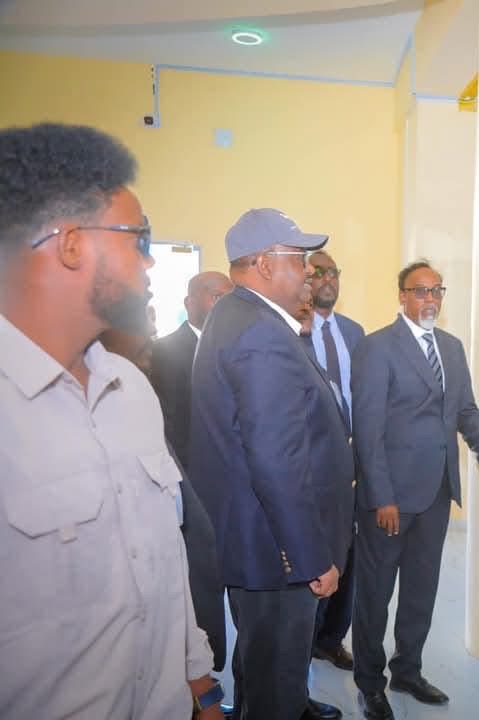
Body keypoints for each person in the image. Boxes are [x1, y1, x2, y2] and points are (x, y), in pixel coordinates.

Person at [0, 123, 222, 718]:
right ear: (72, 245)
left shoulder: (130, 391)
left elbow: (165, 563)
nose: (150, 261)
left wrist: (201, 685)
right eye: (138, 237)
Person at [187, 209, 354, 720]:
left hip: (262, 543)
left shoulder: (239, 317)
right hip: (278, 550)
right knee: (276, 683)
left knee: (261, 669)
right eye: (298, 259)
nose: (308, 272)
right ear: (263, 264)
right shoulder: (260, 333)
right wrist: (310, 556)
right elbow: (277, 461)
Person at [351, 260, 479, 720]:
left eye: (437, 290)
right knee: (375, 594)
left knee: (421, 589)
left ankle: (407, 670)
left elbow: (465, 411)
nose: (430, 298)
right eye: (420, 290)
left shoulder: (451, 348)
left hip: (437, 491)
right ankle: (369, 683)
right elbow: (367, 429)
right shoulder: (377, 347)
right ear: (402, 295)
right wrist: (382, 496)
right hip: (390, 499)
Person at [101, 323, 232, 704]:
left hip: (170, 670)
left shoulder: (136, 392)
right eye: (138, 317)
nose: (151, 330)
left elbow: (177, 551)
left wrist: (200, 681)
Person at [302, 250, 365, 672]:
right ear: (305, 280)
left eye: (333, 273)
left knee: (349, 554)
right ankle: (303, 642)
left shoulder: (354, 332)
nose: (327, 279)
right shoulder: (293, 332)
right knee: (314, 552)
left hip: (352, 462)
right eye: (318, 272)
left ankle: (330, 639)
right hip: (310, 464)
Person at [151, 271, 233, 470]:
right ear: (190, 303)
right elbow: (171, 426)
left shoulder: (238, 348)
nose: (226, 307)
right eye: (217, 297)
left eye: (230, 300)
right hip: (192, 470)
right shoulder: (165, 351)